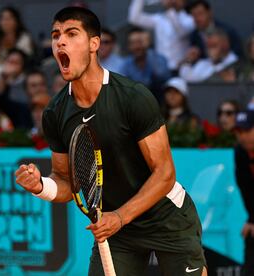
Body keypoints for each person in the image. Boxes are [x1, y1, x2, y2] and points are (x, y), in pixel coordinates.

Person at [15, 7, 207, 275]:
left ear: (94, 44)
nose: (60, 41)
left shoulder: (133, 97)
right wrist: (40, 186)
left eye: (71, 34)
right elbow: (66, 181)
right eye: (55, 35)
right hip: (118, 231)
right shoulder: (55, 113)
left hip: (167, 219)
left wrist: (119, 217)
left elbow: (164, 174)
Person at [128, 0, 195, 71]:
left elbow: (181, 32)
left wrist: (169, 8)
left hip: (181, 68)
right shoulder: (159, 19)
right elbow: (134, 18)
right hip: (161, 70)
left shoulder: (189, 19)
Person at [119, 27, 171, 102]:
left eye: (140, 42)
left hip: (159, 103)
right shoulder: (126, 64)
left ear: (147, 42)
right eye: (133, 43)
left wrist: (148, 49)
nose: (137, 46)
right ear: (129, 46)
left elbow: (161, 75)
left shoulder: (159, 59)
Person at [0, 6, 34, 80]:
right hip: (1, 69)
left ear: (16, 21)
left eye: (9, 18)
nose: (5, 22)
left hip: (20, 70)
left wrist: (12, 65)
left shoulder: (24, 37)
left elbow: (24, 59)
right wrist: (7, 66)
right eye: (2, 19)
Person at [234, 109, 254, 276]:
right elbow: (246, 188)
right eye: (239, 132)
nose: (243, 136)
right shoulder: (240, 152)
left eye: (247, 131)